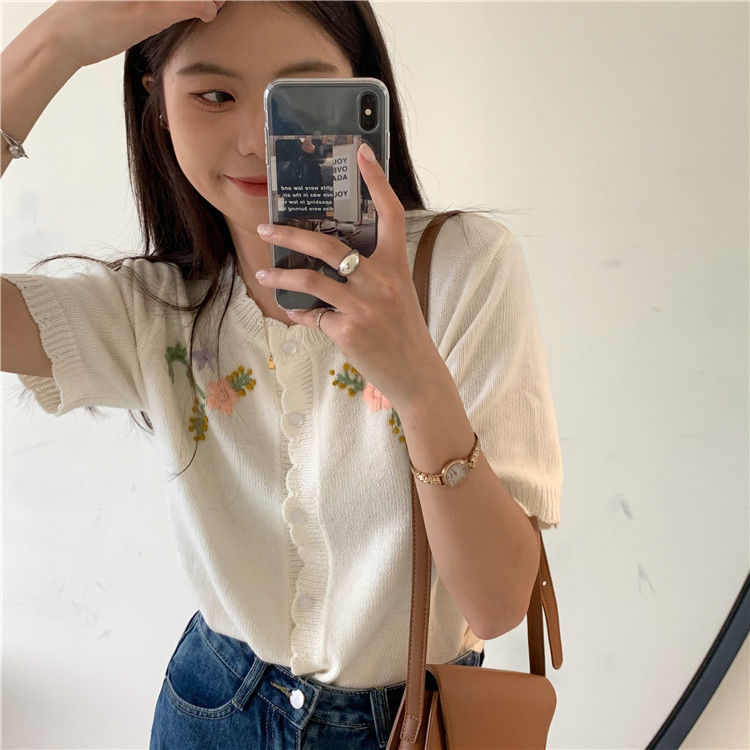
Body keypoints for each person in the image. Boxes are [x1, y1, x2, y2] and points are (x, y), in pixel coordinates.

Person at [0, 2, 564, 748]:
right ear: (157, 106)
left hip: (410, 724)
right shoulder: (154, 311)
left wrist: (417, 381)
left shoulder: (463, 268)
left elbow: (495, 606)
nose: (257, 140)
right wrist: (55, 42)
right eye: (214, 94)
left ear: (363, 97)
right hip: (212, 709)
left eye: (300, 98)